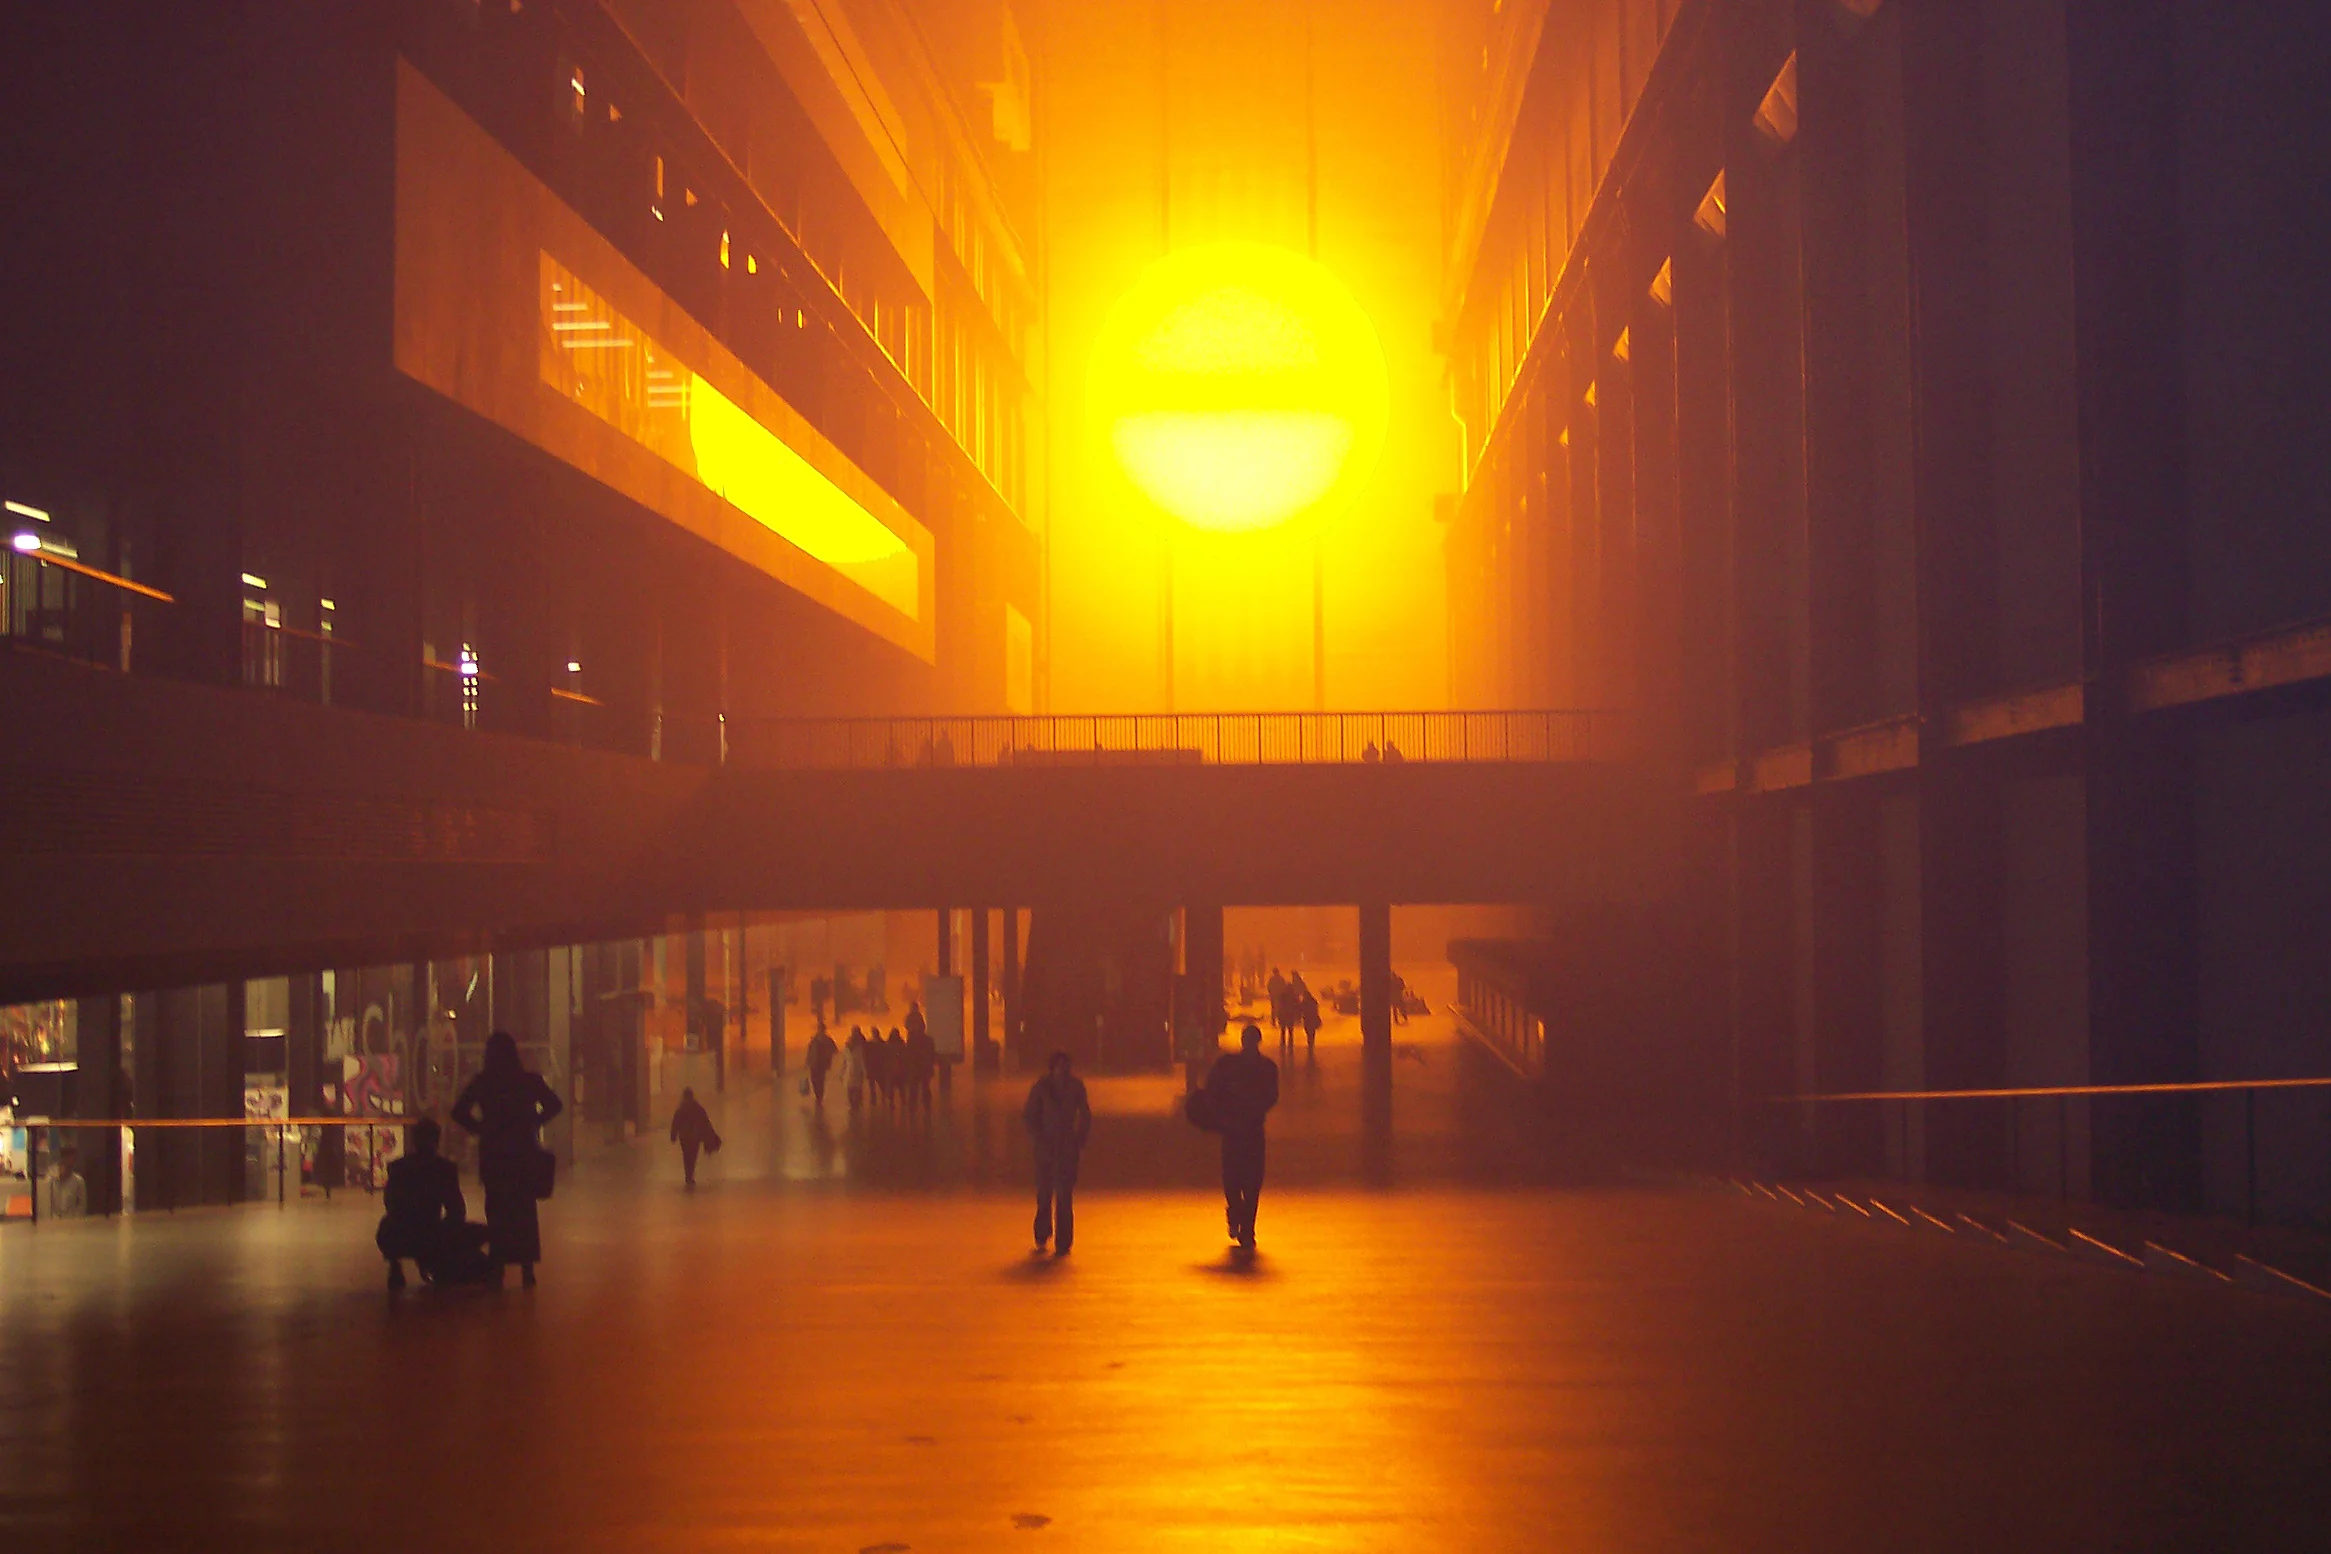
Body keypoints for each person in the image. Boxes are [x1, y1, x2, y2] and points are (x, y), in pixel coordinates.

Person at [450, 1031, 563, 1287]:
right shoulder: (529, 1081)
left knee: (497, 1210)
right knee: (524, 1210)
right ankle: (527, 1269)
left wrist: (481, 1128)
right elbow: (555, 1104)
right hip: (523, 1152)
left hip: (494, 1154)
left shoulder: (483, 1082)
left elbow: (459, 1111)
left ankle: (498, 1266)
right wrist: (535, 1121)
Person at [376, 1118, 489, 1289]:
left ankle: (396, 1264)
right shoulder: (445, 1168)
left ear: (414, 1140)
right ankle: (443, 1260)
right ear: (437, 1141)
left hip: (401, 1232)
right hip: (433, 1231)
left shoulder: (398, 1167)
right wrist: (446, 1229)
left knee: (386, 1225)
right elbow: (456, 1210)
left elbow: (391, 1204)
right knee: (482, 1233)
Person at [1203, 1022, 1279, 1250]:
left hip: (1233, 1130)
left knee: (1232, 1178)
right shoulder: (1267, 1068)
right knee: (1252, 1182)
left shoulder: (1227, 1065)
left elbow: (1212, 1090)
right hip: (1253, 1130)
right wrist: (1254, 1110)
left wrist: (1223, 1113)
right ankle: (1247, 1228)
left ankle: (1236, 1214)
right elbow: (1271, 1096)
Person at [1022, 1050, 1091, 1256]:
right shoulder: (1042, 1087)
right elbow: (1030, 1115)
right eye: (1060, 1066)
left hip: (1066, 1147)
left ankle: (1063, 1241)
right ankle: (1042, 1233)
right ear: (1053, 1068)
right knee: (1044, 1193)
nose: (1063, 1071)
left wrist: (1079, 1139)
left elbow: (1085, 1115)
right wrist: (1038, 1137)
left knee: (1064, 1195)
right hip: (1046, 1147)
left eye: (1065, 1067)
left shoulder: (1076, 1087)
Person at [668, 1087, 721, 1188]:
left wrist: (673, 1136)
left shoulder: (681, 1109)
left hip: (684, 1137)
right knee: (693, 1156)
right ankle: (690, 1175)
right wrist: (709, 1134)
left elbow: (675, 1123)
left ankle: (688, 1175)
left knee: (686, 1156)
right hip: (695, 1137)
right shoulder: (698, 1108)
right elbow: (705, 1122)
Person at [904, 1015, 937, 1113]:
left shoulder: (912, 1040)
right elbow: (932, 1055)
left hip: (915, 1068)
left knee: (914, 1088)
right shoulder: (929, 1040)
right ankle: (927, 1108)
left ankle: (912, 1110)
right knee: (925, 1088)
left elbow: (908, 1055)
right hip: (925, 1068)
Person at [805, 1021, 838, 1107]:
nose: (820, 1030)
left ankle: (819, 1096)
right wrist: (808, 1061)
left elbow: (834, 1050)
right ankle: (818, 1094)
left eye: (821, 1029)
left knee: (820, 1080)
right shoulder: (814, 1039)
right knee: (814, 1080)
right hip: (814, 1063)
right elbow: (810, 1050)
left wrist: (828, 1055)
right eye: (819, 1029)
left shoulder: (827, 1040)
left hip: (822, 1064)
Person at [842, 1026, 868, 1113]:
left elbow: (862, 1061)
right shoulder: (847, 1048)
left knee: (856, 1089)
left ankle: (855, 1104)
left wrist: (864, 1072)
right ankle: (853, 1104)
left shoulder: (859, 1047)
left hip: (857, 1071)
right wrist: (842, 1072)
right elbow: (844, 1061)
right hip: (849, 1071)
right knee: (850, 1089)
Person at [885, 1028, 909, 1111]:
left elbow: (885, 1057)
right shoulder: (901, 1044)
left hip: (892, 1069)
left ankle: (892, 1103)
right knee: (901, 1087)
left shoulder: (888, 1044)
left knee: (893, 1087)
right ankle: (903, 1101)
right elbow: (905, 1056)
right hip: (899, 1069)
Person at [1298, 980, 1322, 1057]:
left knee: (1308, 1031)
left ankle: (1309, 1043)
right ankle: (1311, 1043)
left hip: (1307, 1019)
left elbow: (1301, 1009)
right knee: (1312, 1031)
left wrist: (1299, 1016)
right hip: (1313, 1018)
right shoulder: (1313, 1001)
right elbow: (1316, 1009)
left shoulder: (1304, 1002)